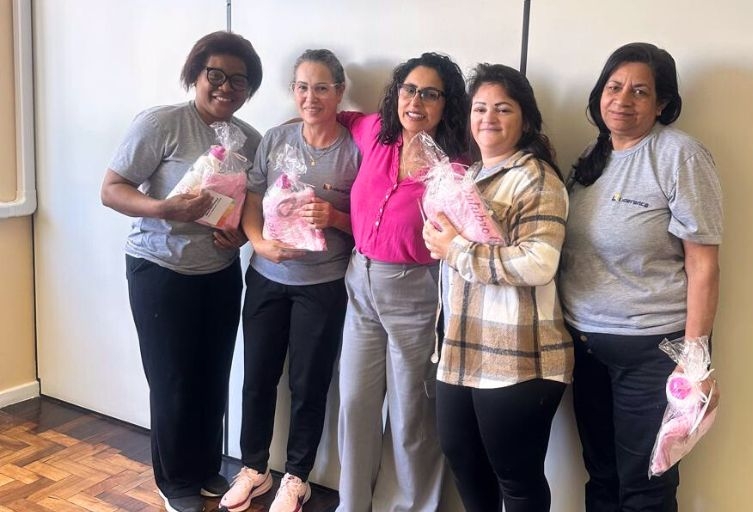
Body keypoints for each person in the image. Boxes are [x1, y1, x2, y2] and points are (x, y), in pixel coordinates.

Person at [100, 31, 263, 512]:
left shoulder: (250, 140)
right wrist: (164, 208)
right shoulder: (161, 123)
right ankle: (174, 482)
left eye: (239, 80)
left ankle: (205, 468)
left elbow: (250, 211)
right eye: (216, 75)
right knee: (172, 380)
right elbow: (112, 189)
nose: (226, 87)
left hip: (219, 272)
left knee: (212, 374)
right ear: (195, 74)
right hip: (160, 269)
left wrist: (241, 235)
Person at [558, 42, 723, 511]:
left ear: (662, 103)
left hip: (651, 352)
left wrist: (695, 360)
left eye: (639, 91)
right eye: (614, 87)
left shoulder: (679, 155)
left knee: (646, 486)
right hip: (585, 346)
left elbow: (703, 264)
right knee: (601, 477)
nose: (622, 100)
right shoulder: (592, 157)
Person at [422, 63, 572, 512]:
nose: (488, 117)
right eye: (480, 108)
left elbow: (538, 262)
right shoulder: (465, 178)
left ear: (525, 120)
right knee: (466, 466)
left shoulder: (536, 177)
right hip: (461, 348)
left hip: (518, 357)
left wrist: (456, 250)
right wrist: (439, 240)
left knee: (516, 479)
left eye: (503, 109)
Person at [217, 49, 360, 512]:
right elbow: (252, 198)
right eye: (302, 87)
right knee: (257, 377)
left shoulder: (354, 151)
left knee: (308, 384)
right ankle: (254, 469)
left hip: (323, 285)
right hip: (265, 277)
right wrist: (259, 243)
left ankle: (297, 477)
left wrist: (334, 217)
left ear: (339, 92)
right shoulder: (277, 138)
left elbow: (369, 223)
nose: (310, 97)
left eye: (321, 88)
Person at [335, 52, 468, 512]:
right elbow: (333, 114)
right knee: (355, 403)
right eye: (409, 90)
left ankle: (412, 506)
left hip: (416, 292)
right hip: (360, 282)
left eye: (430, 94)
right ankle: (351, 505)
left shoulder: (455, 163)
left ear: (447, 105)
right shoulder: (375, 131)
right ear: (396, 94)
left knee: (413, 414)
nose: (416, 101)